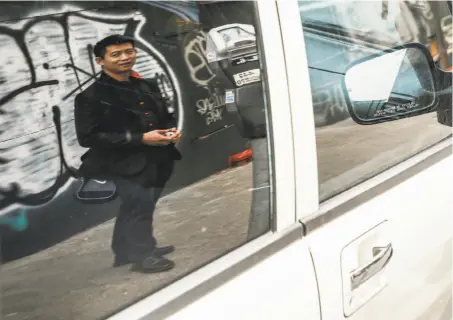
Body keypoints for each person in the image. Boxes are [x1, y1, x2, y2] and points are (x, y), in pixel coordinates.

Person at [74, 34, 182, 273]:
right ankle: (143, 257)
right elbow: (88, 138)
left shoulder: (146, 85)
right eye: (116, 54)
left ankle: (124, 251)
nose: (125, 58)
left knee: (140, 206)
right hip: (123, 164)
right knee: (138, 208)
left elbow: (164, 114)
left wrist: (172, 130)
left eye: (129, 51)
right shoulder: (90, 97)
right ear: (100, 61)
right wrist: (141, 138)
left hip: (158, 158)